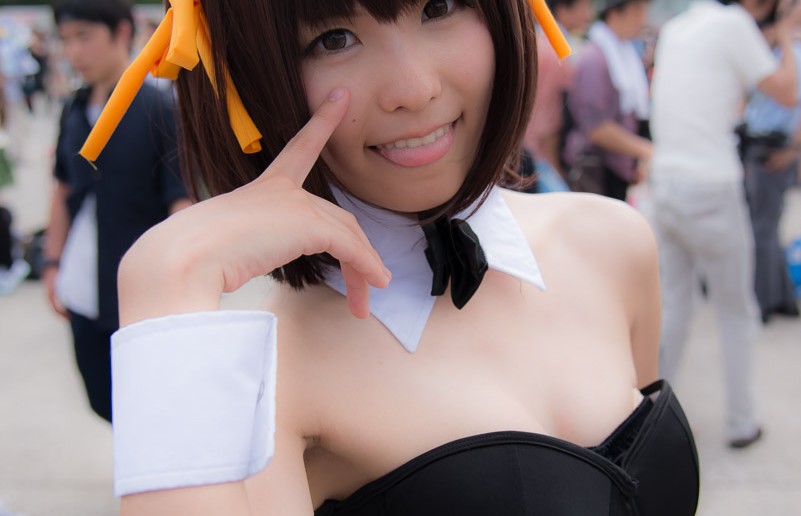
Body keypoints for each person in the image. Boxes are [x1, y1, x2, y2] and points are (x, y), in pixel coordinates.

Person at [87, 1, 698, 514]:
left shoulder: (611, 240)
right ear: (246, 81)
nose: (415, 88)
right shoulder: (266, 377)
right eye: (333, 39)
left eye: (439, 7)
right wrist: (166, 281)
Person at [649, 0, 801, 449]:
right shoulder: (734, 25)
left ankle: (655, 417)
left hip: (665, 182)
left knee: (675, 305)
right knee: (737, 311)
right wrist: (787, 31)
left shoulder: (676, 30)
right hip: (710, 186)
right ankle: (741, 422)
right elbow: (788, 92)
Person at [43, 0, 190, 423]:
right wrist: (52, 262)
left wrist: (181, 283)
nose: (73, 52)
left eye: (84, 37)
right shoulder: (73, 110)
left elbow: (180, 201)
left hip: (140, 292)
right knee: (101, 398)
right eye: (66, 40)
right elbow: (63, 188)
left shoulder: (160, 109)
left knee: (148, 405)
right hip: (80, 286)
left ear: (122, 32)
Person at [742, 11, 801, 323]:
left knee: (762, 229)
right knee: (767, 226)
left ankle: (765, 302)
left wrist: (792, 150)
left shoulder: (791, 57)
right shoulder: (772, 56)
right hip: (763, 145)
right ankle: (781, 299)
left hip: (775, 148)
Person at [563, 0, 653, 199]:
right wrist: (644, 150)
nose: (643, 19)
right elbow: (596, 128)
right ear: (614, 14)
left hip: (616, 168)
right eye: (637, 11)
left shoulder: (624, 52)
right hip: (599, 170)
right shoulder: (595, 59)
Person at [523, 0, 594, 193]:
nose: (589, 14)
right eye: (584, 7)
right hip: (540, 154)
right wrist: (555, 166)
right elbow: (549, 119)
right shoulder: (555, 51)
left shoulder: (540, 41)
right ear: (563, 9)